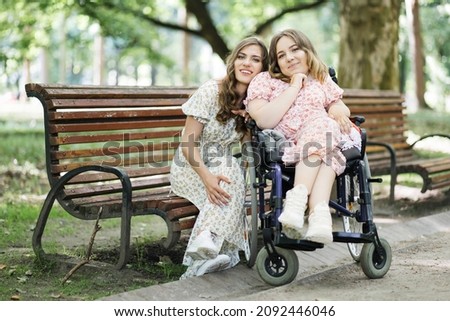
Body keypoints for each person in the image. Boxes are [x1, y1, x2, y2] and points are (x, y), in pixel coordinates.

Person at [245, 29, 361, 244]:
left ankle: (311, 211)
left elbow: (341, 108)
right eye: (281, 55)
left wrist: (336, 109)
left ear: (307, 51)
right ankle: (307, 206)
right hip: (287, 142)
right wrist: (295, 84)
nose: (289, 57)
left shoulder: (320, 78)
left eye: (295, 49)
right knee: (328, 144)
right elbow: (264, 121)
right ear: (276, 62)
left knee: (330, 147)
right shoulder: (266, 80)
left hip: (323, 137)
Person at [169, 36, 269, 279]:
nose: (247, 64)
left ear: (263, 69)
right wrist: (207, 178)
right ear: (233, 62)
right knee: (230, 167)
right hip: (192, 166)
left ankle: (205, 257)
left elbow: (248, 150)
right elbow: (187, 144)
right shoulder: (211, 91)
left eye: (255, 60)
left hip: (223, 171)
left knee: (231, 167)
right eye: (242, 57)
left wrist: (252, 120)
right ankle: (208, 236)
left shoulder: (252, 103)